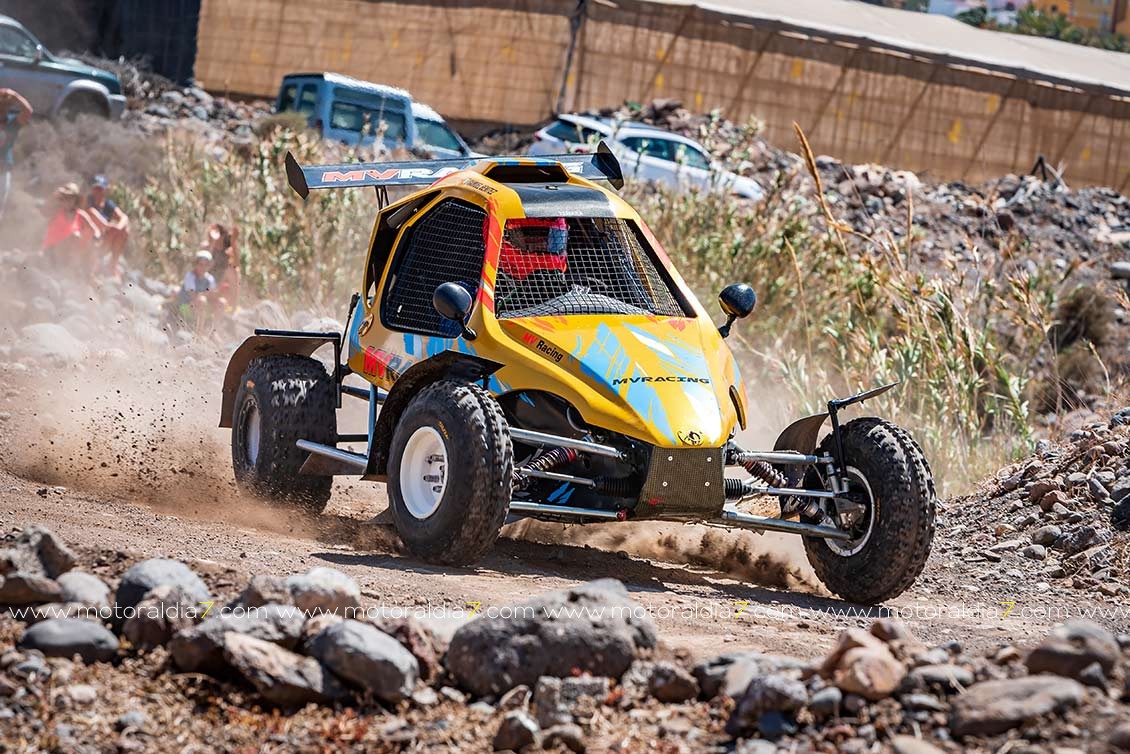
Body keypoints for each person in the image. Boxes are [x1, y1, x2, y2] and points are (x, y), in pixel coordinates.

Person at [43, 183, 101, 278]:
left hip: (71, 253)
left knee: (90, 243)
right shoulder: (56, 211)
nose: (68, 201)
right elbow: (44, 210)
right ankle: (71, 270)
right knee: (75, 236)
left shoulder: (80, 215)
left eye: (71, 198)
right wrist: (55, 194)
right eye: (65, 198)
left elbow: (95, 230)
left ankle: (89, 275)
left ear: (75, 200)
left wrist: (96, 238)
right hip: (52, 251)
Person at [85, 175, 130, 280]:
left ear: (104, 190)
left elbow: (124, 217)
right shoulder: (88, 201)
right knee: (114, 230)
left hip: (104, 238)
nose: (97, 192)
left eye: (100, 189)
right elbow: (91, 213)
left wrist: (118, 227)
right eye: (95, 188)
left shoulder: (107, 203)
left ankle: (112, 265)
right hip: (91, 239)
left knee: (124, 230)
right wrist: (107, 225)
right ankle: (94, 269)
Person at [0, 88, 33, 222]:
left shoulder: (12, 123)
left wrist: (15, 96)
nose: (2, 108)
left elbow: (28, 111)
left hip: (2, 172)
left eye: (5, 105)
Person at [178, 249, 217, 326]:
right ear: (195, 264)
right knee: (201, 301)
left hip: (202, 307)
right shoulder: (190, 276)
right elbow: (193, 296)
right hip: (187, 306)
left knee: (220, 303)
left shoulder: (210, 279)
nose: (203, 267)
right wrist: (206, 294)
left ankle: (215, 328)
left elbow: (213, 295)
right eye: (200, 264)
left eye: (206, 265)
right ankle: (199, 330)